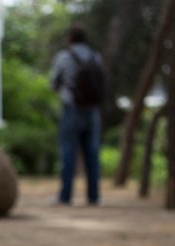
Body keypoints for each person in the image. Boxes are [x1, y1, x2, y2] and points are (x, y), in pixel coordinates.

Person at [49, 25, 104, 205]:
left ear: (70, 38)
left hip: (71, 110)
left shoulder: (64, 57)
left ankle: (65, 196)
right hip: (93, 111)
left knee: (68, 153)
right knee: (93, 155)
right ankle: (93, 196)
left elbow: (54, 85)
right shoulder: (96, 57)